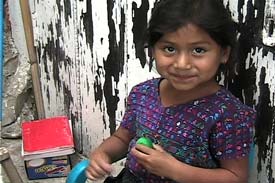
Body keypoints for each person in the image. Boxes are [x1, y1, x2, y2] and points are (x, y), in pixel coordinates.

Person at [86, 0, 256, 182]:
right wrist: (102, 154)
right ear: (152, 50)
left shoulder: (228, 114)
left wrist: (174, 169)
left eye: (198, 50)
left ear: (223, 53)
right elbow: (122, 138)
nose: (182, 64)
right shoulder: (142, 94)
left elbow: (236, 178)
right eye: (169, 49)